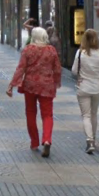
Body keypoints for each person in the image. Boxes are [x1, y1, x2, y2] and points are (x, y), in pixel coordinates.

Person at [7, 26, 62, 157]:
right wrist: (56, 82)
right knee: (47, 114)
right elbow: (57, 68)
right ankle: (47, 139)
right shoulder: (51, 50)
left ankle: (34, 142)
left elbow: (21, 68)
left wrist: (12, 85)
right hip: (47, 85)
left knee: (30, 113)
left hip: (30, 85)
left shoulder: (28, 49)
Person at [72, 27, 99, 154]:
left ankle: (89, 140)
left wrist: (82, 76)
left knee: (86, 115)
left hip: (83, 87)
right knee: (94, 114)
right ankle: (94, 138)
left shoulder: (80, 53)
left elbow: (74, 71)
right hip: (97, 88)